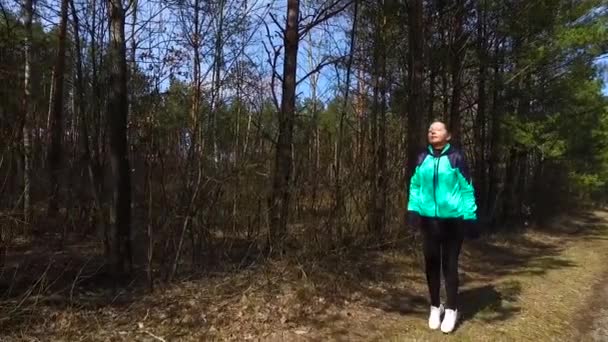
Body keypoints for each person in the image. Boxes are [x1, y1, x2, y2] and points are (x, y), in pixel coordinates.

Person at [407, 120, 478, 334]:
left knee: (449, 266)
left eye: (437, 129)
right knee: (431, 266)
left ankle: (452, 309)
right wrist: (413, 210)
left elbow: (467, 189)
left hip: (453, 221)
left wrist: (470, 216)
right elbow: (415, 186)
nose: (432, 131)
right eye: (430, 129)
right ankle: (435, 307)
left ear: (448, 135)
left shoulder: (456, 158)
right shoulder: (422, 158)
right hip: (429, 221)